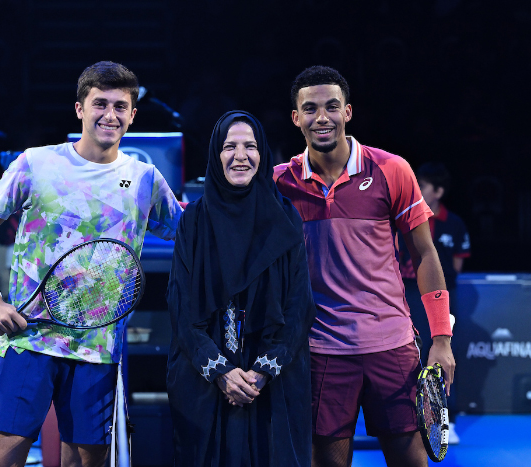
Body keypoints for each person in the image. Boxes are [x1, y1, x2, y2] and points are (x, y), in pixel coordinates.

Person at [0, 61, 182, 467]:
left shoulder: (146, 179)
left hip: (98, 351)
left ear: (133, 115)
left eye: (120, 106)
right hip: (28, 340)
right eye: (100, 103)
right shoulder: (36, 163)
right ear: (79, 108)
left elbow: (191, 234)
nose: (110, 115)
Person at [273, 66, 456, 467]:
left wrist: (441, 338)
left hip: (390, 346)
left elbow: (425, 254)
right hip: (320, 351)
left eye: (332, 107)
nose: (322, 117)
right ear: (295, 118)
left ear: (348, 112)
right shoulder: (280, 184)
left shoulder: (391, 169)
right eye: (310, 109)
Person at [167, 110, 316, 467]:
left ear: (262, 155)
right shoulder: (195, 220)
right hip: (205, 383)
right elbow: (181, 304)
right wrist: (220, 372)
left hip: (274, 382)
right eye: (229, 146)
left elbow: (299, 305)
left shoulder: (285, 217)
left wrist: (263, 370)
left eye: (250, 146)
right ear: (215, 156)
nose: (240, 155)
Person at [397, 161, 470, 444]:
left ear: (438, 191)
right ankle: (408, 421)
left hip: (442, 299)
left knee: (441, 356)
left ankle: (443, 421)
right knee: (409, 358)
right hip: (408, 295)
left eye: (423, 186)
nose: (417, 189)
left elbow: (455, 267)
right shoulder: (405, 217)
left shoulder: (454, 224)